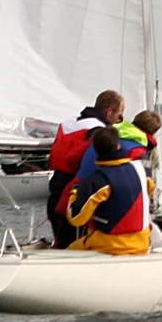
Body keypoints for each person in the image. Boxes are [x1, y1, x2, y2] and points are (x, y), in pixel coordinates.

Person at [47, 90, 122, 247]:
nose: (118, 120)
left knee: (61, 237)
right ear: (109, 111)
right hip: (74, 189)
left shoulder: (67, 124)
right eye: (119, 115)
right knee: (73, 240)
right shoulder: (98, 131)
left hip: (55, 184)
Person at [64, 127, 151, 255]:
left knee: (69, 250)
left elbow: (76, 218)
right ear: (118, 145)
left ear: (96, 150)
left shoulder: (98, 180)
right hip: (142, 243)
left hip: (109, 246)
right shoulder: (141, 170)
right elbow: (150, 188)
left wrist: (75, 192)